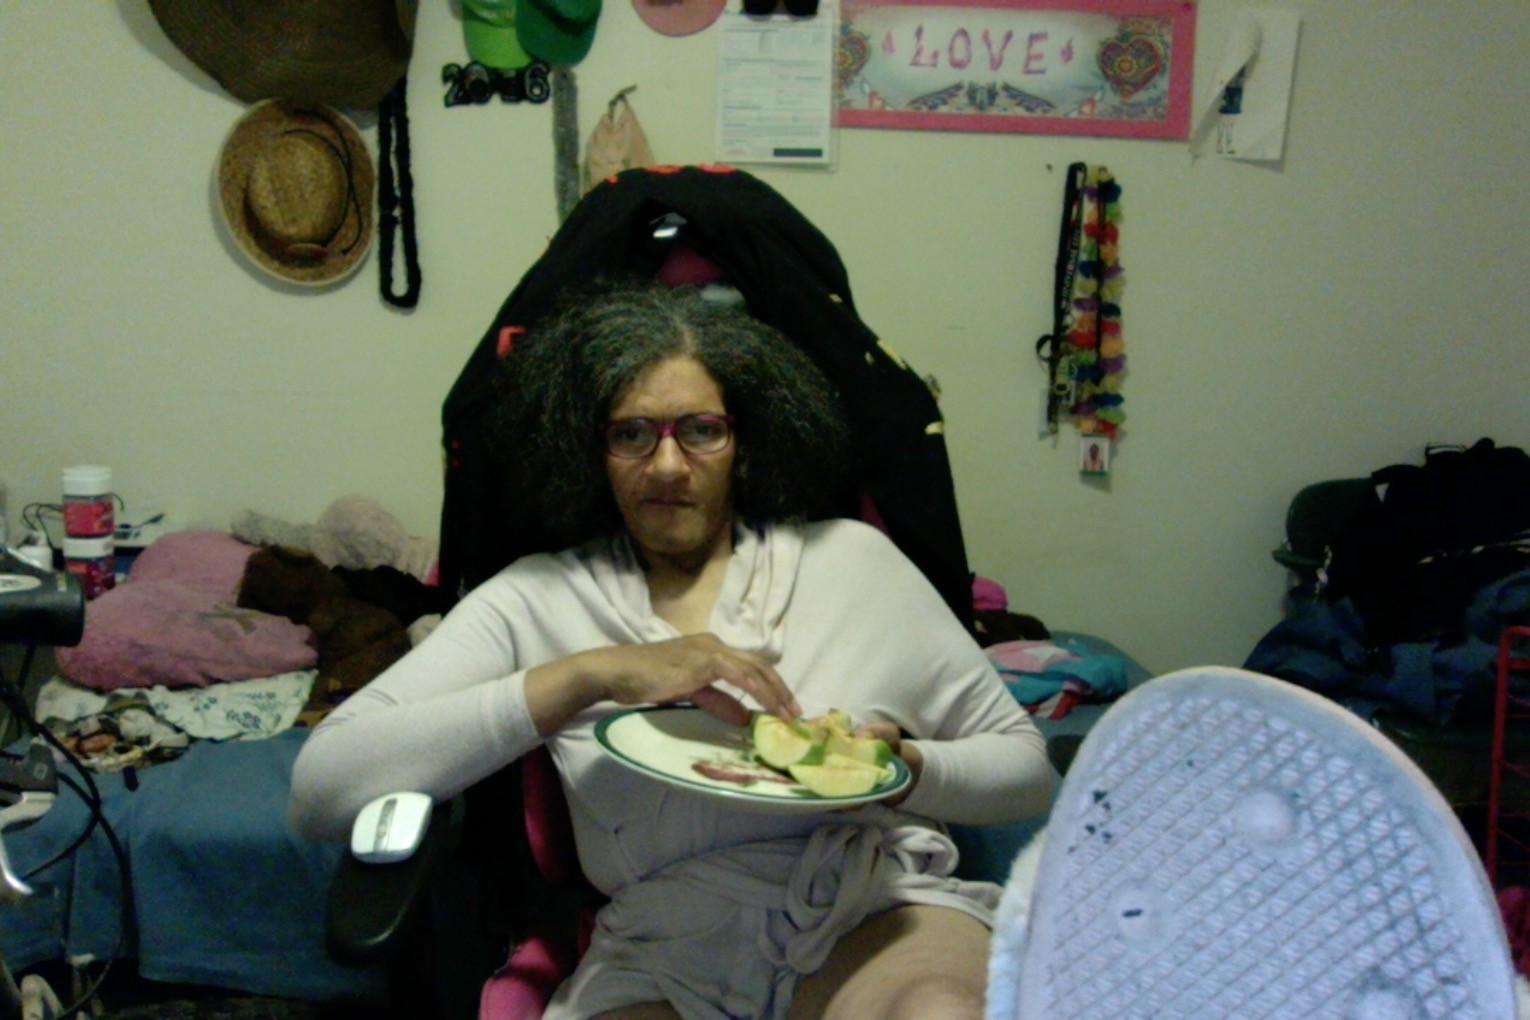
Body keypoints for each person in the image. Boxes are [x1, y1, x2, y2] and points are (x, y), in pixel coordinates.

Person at [289, 279, 1056, 1020]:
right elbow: (323, 788)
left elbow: (1029, 773)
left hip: (872, 908)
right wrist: (587, 676)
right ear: (588, 450)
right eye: (631, 434)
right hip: (664, 945)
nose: (665, 465)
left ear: (745, 440)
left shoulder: (853, 563)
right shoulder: (537, 598)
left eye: (701, 430)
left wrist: (901, 770)